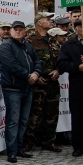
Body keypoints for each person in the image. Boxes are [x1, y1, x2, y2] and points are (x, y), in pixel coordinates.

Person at [0, 21, 42, 163]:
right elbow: (11, 65)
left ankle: (19, 148)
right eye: (15, 29)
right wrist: (28, 75)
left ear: (25, 32)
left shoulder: (28, 46)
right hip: (12, 89)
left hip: (27, 88)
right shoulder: (6, 46)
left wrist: (36, 72)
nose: (18, 32)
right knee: (13, 121)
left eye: (20, 30)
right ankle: (11, 151)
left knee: (23, 121)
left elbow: (37, 61)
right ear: (11, 31)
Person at [25, 12, 62, 153]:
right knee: (35, 114)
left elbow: (61, 59)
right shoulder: (30, 40)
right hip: (38, 83)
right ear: (39, 22)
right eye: (47, 19)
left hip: (53, 82)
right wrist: (35, 75)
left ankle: (49, 142)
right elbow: (27, 61)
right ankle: (28, 142)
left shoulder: (53, 40)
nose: (50, 21)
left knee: (52, 114)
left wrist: (58, 70)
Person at [57, 20, 83, 156]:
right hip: (77, 87)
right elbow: (62, 64)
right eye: (82, 27)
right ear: (76, 29)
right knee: (78, 118)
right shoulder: (69, 45)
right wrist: (77, 67)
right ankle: (79, 146)